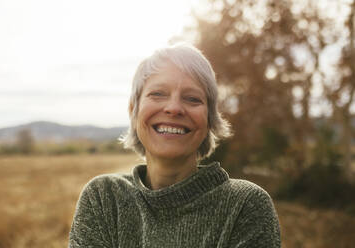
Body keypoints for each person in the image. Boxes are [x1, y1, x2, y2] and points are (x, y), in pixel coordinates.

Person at [69, 43, 281, 247]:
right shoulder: (104, 198)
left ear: (209, 119)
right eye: (158, 94)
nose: (174, 108)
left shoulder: (245, 205)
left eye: (192, 98)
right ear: (134, 110)